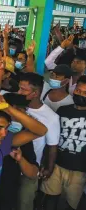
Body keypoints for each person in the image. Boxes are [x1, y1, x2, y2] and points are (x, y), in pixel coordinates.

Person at [39, 75, 86, 210]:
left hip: (80, 170)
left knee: (71, 204)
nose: (80, 94)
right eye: (78, 90)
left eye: (85, 93)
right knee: (49, 198)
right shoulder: (63, 110)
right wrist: (47, 162)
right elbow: (52, 138)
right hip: (57, 164)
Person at [17, 72, 60, 209]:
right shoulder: (15, 106)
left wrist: (49, 168)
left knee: (24, 203)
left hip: (29, 169)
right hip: (9, 166)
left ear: (35, 93)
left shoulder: (50, 117)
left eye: (23, 89)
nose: (18, 92)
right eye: (19, 88)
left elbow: (52, 146)